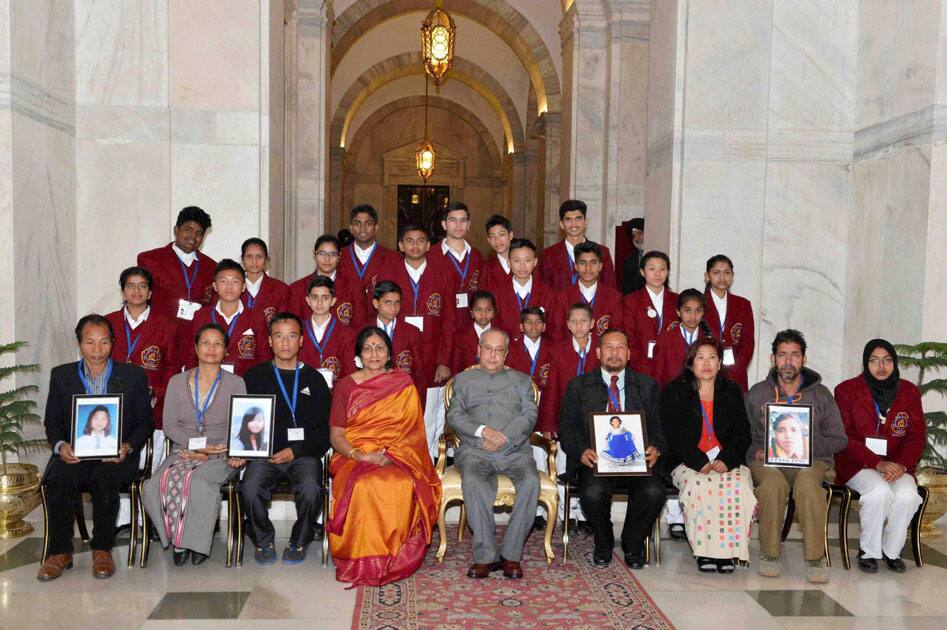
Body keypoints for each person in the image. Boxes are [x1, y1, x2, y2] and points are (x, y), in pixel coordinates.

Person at [38, 315, 154, 581]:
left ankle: (102, 549)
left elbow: (145, 423)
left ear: (113, 343)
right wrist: (60, 446)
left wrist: (127, 446)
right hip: (75, 454)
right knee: (59, 480)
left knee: (106, 479)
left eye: (103, 342)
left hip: (117, 455)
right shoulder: (62, 375)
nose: (97, 348)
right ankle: (59, 552)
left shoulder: (133, 375)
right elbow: (52, 421)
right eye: (90, 342)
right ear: (79, 343)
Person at [327, 327, 441, 586]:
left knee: (400, 483)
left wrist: (392, 454)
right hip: (353, 456)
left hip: (397, 456)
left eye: (380, 347)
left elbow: (413, 433)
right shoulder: (346, 385)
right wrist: (360, 455)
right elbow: (337, 435)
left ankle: (395, 556)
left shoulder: (403, 384)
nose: (374, 354)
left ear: (389, 353)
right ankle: (362, 557)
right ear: (358, 354)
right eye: (367, 348)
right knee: (365, 485)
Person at [558, 329, 667, 569]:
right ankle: (604, 540)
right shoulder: (578, 386)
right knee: (592, 493)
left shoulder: (647, 385)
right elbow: (566, 428)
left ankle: (633, 542)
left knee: (655, 491)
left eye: (620, 348)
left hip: (636, 460)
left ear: (628, 353)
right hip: (597, 460)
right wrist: (582, 450)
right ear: (598, 352)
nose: (614, 353)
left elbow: (659, 426)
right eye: (609, 347)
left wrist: (655, 447)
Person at [746, 329, 848, 583]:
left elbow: (839, 439)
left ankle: (815, 557)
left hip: (812, 461)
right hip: (767, 461)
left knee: (807, 484)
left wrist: (805, 446)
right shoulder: (757, 393)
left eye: (794, 355)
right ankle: (770, 554)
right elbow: (742, 436)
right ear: (773, 359)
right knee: (771, 484)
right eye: (782, 355)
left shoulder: (822, 394)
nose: (788, 361)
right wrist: (756, 450)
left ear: (804, 359)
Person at [142, 323, 247, 566]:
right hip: (184, 449)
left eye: (218, 344)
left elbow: (240, 425)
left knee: (198, 482)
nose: (211, 348)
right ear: (196, 347)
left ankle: (194, 543)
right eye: (205, 343)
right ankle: (175, 537)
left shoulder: (235, 383)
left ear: (226, 350)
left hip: (221, 452)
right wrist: (196, 447)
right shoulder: (177, 382)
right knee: (153, 485)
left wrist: (215, 451)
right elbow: (169, 426)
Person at [238, 313, 332, 564]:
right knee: (249, 488)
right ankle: (263, 538)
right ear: (269, 341)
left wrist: (296, 451)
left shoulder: (315, 379)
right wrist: (251, 449)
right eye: (279, 336)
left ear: (301, 341)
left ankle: (300, 539)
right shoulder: (254, 377)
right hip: (264, 455)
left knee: (312, 489)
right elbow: (245, 422)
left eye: (292, 336)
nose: (286, 342)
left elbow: (325, 432)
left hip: (303, 455)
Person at [447, 329, 539, 579]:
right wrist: (482, 431)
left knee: (531, 482)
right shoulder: (462, 381)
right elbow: (455, 416)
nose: (492, 355)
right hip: (476, 450)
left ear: (506, 354)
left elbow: (529, 415)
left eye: (499, 350)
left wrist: (505, 437)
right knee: (474, 481)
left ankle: (511, 555)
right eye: (488, 348)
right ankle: (486, 556)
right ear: (478, 349)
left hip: (515, 450)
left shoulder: (521, 380)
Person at [660, 337, 755, 573]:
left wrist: (727, 460)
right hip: (687, 461)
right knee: (699, 487)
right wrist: (698, 461)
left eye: (712, 357)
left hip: (725, 460)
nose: (706, 363)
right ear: (691, 362)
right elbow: (673, 434)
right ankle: (705, 552)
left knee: (739, 486)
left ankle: (729, 553)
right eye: (700, 357)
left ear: (720, 363)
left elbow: (743, 433)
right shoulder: (675, 391)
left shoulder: (731, 390)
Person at [834, 339, 925, 573]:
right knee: (879, 491)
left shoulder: (909, 392)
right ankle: (868, 551)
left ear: (894, 363)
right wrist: (877, 462)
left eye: (887, 360)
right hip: (859, 465)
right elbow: (846, 437)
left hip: (897, 465)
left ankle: (891, 551)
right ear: (866, 363)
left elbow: (916, 437)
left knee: (907, 493)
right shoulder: (846, 390)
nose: (881, 367)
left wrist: (901, 466)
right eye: (874, 361)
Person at [105, 266, 179, 434]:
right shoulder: (107, 323)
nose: (136, 290)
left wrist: (156, 393)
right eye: (130, 286)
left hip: (151, 406)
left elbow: (172, 367)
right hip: (112, 403)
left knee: (149, 458)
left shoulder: (167, 325)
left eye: (142, 286)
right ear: (123, 292)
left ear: (150, 292)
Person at [381, 223, 456, 388]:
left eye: (420, 241)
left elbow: (449, 321)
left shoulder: (442, 275)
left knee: (429, 407)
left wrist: (444, 361)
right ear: (401, 245)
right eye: (409, 241)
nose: (415, 245)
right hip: (398, 349)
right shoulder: (389, 273)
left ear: (428, 245)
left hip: (433, 351)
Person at [182, 259, 272, 376]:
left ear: (244, 287)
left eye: (235, 282)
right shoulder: (202, 316)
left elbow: (264, 356)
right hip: (208, 382)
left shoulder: (257, 317)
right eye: (223, 281)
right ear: (215, 286)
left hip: (246, 384)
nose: (229, 287)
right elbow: (192, 355)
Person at [137, 206, 216, 322]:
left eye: (199, 233)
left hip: (196, 335)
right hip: (160, 333)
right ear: (176, 230)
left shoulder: (212, 267)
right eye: (188, 230)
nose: (193, 237)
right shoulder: (150, 260)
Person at [544, 303, 601, 438]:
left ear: (592, 323)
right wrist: (549, 423)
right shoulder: (558, 350)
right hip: (567, 414)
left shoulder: (602, 347)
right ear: (568, 325)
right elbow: (552, 388)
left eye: (583, 321)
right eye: (574, 322)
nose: (579, 325)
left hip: (597, 412)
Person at [427, 202, 485, 333]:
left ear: (469, 225)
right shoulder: (431, 255)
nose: (458, 225)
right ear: (444, 224)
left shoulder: (477, 257)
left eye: (463, 221)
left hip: (470, 325)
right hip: (440, 326)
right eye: (453, 220)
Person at [621, 251, 679, 376]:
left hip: (671, 367)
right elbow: (628, 337)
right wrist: (640, 365)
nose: (657, 274)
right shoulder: (630, 301)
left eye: (662, 269)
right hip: (640, 367)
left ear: (668, 272)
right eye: (652, 269)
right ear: (642, 272)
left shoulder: (677, 301)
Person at [538, 200, 616, 290]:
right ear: (561, 224)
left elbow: (610, 289)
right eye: (568, 220)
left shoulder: (602, 252)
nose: (574, 224)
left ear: (585, 222)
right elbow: (542, 291)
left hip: (595, 304)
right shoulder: (548, 255)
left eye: (578, 219)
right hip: (559, 304)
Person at [703, 255, 755, 392]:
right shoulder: (698, 304)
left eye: (727, 273)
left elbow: (748, 343)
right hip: (705, 371)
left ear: (732, 276)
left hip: (735, 374)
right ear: (707, 276)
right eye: (716, 273)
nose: (722, 277)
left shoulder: (743, 305)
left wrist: (737, 368)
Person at [493, 238, 561, 341]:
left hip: (540, 353)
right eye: (517, 261)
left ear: (535, 262)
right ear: (509, 263)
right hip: (508, 353)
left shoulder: (548, 293)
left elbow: (555, 330)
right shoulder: (497, 294)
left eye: (527, 260)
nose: (522, 266)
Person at [337, 205, 399, 317]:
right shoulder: (338, 257)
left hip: (380, 325)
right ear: (351, 228)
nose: (363, 228)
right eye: (357, 223)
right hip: (346, 325)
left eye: (368, 224)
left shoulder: (393, 258)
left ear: (376, 228)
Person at [289, 234, 362, 327]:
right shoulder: (297, 289)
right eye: (322, 253)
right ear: (314, 254)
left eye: (333, 254)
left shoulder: (353, 287)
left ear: (339, 256)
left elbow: (359, 326)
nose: (327, 259)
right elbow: (294, 327)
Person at [555, 241, 623, 338]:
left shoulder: (614, 298)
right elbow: (558, 335)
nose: (588, 268)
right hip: (570, 352)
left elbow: (617, 334)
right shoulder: (562, 298)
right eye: (583, 263)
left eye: (593, 263)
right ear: (576, 266)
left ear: (600, 266)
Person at [298, 275, 356, 387]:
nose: (319, 302)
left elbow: (349, 371)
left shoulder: (346, 333)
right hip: (303, 392)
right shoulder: (298, 330)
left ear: (333, 301)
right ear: (308, 300)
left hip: (335, 394)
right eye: (314, 297)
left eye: (325, 298)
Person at [372, 280, 424, 392]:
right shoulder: (364, 331)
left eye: (397, 302)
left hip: (402, 393)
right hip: (372, 393)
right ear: (376, 303)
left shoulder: (412, 332)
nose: (393, 307)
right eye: (388, 302)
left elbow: (419, 372)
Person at [652, 289, 711, 387]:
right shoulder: (665, 339)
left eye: (698, 310)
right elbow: (658, 377)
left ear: (703, 312)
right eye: (687, 310)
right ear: (678, 312)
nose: (693, 316)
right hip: (672, 396)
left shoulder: (710, 339)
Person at [240, 238, 290, 323]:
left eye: (259, 257)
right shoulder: (233, 287)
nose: (254, 261)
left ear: (267, 260)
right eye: (249, 257)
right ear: (242, 259)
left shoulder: (281, 289)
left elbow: (284, 323)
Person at [451, 290, 496, 374]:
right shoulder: (461, 336)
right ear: (471, 312)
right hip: (468, 382)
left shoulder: (501, 335)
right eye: (478, 310)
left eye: (488, 309)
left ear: (494, 312)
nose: (483, 314)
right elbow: (456, 365)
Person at [482, 214, 513, 292]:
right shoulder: (486, 268)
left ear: (510, 235)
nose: (497, 241)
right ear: (488, 240)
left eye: (501, 235)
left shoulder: (524, 262)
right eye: (493, 236)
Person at [620, 218, 646, 295]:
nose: (637, 239)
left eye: (640, 233)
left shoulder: (657, 257)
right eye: (634, 236)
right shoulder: (629, 261)